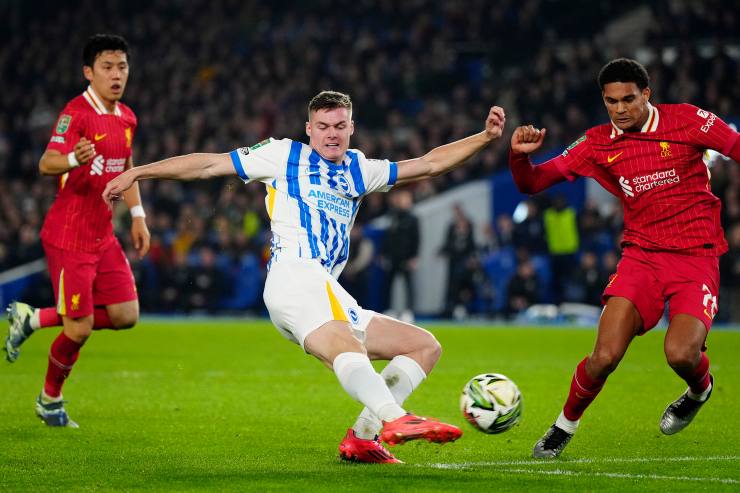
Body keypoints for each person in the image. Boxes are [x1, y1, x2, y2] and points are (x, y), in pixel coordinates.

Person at [103, 91, 506, 463]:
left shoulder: (360, 169)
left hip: (324, 290)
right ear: (309, 129)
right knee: (346, 343)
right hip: (294, 277)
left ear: (351, 127)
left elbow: (430, 163)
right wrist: (140, 172)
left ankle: (364, 437)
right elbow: (209, 164)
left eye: (340, 126)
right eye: (323, 126)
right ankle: (394, 417)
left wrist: (485, 138)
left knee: (423, 346)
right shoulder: (282, 155)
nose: (332, 134)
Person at [509, 58, 740, 458]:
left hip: (695, 257)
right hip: (641, 257)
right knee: (604, 357)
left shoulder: (687, 120)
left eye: (628, 99)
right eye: (611, 101)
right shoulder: (597, 143)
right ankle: (564, 425)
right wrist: (518, 156)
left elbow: (736, 146)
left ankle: (699, 389)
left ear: (646, 94)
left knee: (681, 354)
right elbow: (532, 182)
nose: (620, 109)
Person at [4, 34, 150, 428]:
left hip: (103, 234)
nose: (116, 75)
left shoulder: (127, 117)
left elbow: (126, 165)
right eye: (107, 67)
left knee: (126, 314)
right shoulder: (76, 113)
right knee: (79, 328)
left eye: (122, 67)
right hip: (70, 236)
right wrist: (72, 157)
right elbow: (46, 163)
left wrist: (138, 214)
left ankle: (33, 319)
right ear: (89, 72)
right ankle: (50, 400)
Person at [380, 189, 419, 321]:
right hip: (392, 256)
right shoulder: (392, 217)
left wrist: (414, 257)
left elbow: (416, 239)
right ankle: (389, 309)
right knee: (388, 284)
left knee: (408, 285)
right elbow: (387, 237)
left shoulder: (413, 219)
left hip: (406, 257)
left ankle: (408, 311)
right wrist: (384, 254)